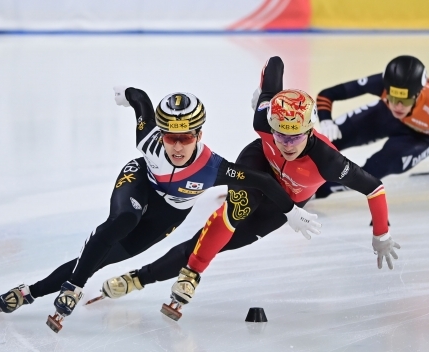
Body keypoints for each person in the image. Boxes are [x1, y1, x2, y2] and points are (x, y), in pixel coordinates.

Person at [0, 87, 321, 332]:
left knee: (104, 256)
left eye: (185, 138)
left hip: (169, 213)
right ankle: (73, 287)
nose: (176, 146)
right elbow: (141, 102)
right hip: (140, 182)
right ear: (160, 134)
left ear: (199, 134)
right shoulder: (148, 141)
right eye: (169, 137)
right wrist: (126, 93)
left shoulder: (214, 167)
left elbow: (261, 180)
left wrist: (290, 211)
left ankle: (29, 292)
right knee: (123, 219)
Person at [91, 56, 401, 321]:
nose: (286, 143)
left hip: (290, 200)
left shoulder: (328, 162)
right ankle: (191, 276)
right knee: (235, 211)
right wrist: (269, 79)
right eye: (280, 134)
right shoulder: (263, 120)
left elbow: (373, 188)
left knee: (215, 242)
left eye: (295, 137)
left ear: (310, 130)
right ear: (270, 123)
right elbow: (273, 67)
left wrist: (382, 234)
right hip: (257, 165)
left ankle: (138, 279)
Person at [315, 55, 429, 216]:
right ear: (386, 89)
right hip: (385, 115)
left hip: (422, 137)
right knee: (330, 139)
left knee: (376, 167)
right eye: (393, 98)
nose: (398, 106)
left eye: (405, 100)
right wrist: (326, 120)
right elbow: (327, 95)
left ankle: (319, 191)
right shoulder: (382, 84)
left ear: (418, 95)